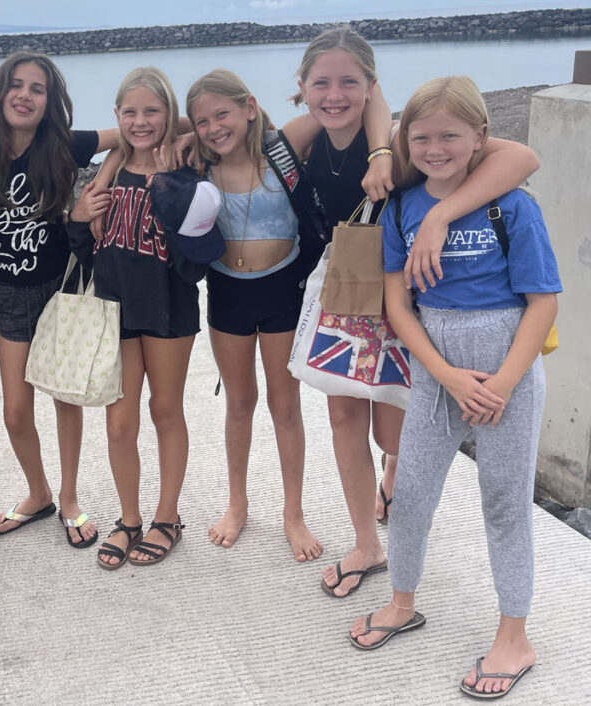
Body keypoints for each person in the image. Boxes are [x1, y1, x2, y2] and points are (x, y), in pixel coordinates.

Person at [288, 28, 541, 596]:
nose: (335, 95)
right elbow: (248, 138)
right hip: (350, 298)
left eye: (350, 82)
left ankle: (396, 475)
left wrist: (438, 215)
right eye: (321, 83)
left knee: (397, 429)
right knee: (344, 417)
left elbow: (523, 157)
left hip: (410, 299)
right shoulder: (306, 139)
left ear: (371, 86)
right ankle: (366, 542)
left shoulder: (404, 144)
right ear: (302, 87)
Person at [350, 76, 559, 702]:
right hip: (437, 371)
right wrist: (443, 375)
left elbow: (543, 303)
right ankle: (402, 602)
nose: (435, 149)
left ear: (480, 137)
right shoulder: (403, 208)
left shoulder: (511, 207)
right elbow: (398, 303)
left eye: (450, 136)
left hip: (504, 374)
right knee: (411, 492)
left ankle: (514, 635)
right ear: (404, 142)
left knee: (504, 502)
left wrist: (503, 384)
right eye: (421, 138)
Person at [184, 69, 340, 561]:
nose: (214, 128)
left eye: (222, 114)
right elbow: (146, 128)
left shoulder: (283, 148)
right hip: (227, 292)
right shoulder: (198, 166)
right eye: (202, 121)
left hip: (283, 291)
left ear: (250, 107)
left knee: (285, 405)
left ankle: (293, 513)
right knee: (239, 403)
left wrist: (381, 151)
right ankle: (238, 503)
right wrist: (187, 134)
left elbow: (339, 107)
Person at [0, 52, 118, 547]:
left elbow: (136, 132)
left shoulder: (64, 144)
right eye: (16, 84)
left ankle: (69, 497)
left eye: (37, 88)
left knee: (64, 399)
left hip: (60, 289)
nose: (25, 95)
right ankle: (39, 492)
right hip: (10, 294)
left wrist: (97, 186)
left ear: (50, 102)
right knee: (15, 411)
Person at [69, 67, 210, 568]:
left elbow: (198, 261)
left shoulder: (186, 168)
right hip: (117, 311)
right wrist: (78, 218)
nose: (140, 121)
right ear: (116, 116)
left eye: (152, 110)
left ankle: (166, 518)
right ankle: (129, 519)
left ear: (170, 114)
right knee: (118, 424)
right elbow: (83, 248)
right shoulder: (106, 173)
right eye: (130, 112)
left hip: (170, 310)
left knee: (165, 410)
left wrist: (173, 195)